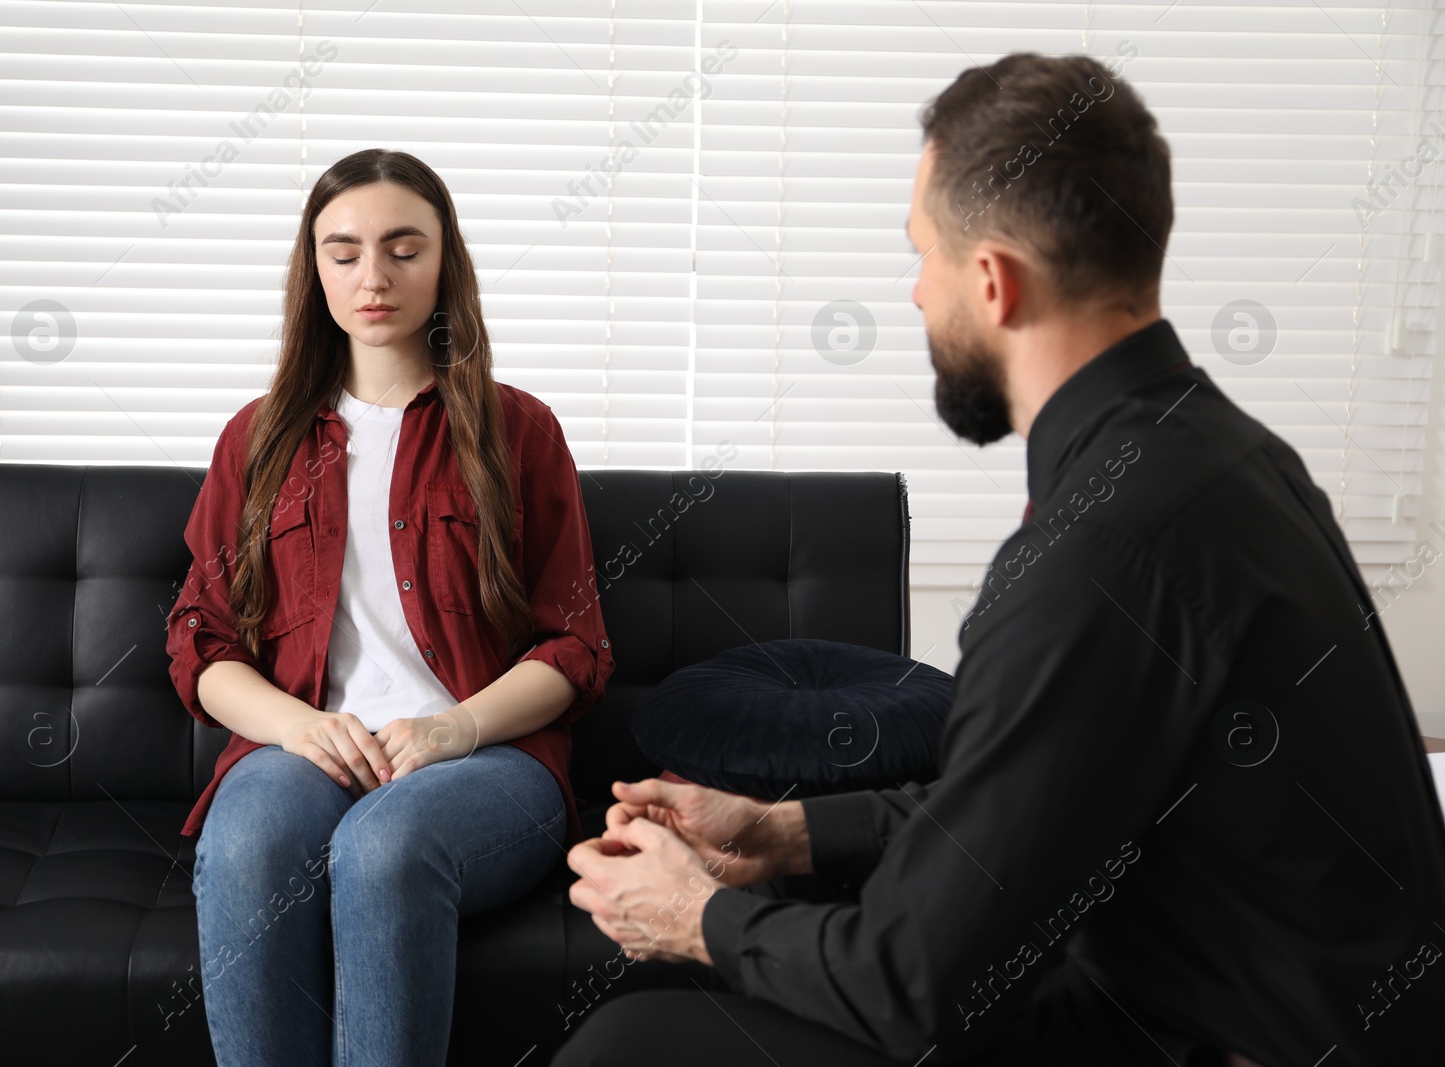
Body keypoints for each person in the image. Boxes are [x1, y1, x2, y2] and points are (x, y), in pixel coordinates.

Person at [554, 53, 1445, 1067]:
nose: (915, 292)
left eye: (921, 254)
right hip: (1208, 997)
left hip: (1219, 1039)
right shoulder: (1220, 455)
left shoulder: (1098, 551)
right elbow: (1028, 796)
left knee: (632, 1044)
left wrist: (693, 914)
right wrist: (781, 828)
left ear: (992, 281)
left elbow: (907, 983)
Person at [163, 148, 615, 1067]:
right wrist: (301, 727)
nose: (373, 276)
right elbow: (200, 641)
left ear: (446, 262)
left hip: (486, 757)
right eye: (344, 251)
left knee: (384, 846)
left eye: (404, 248)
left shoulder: (517, 430)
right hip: (305, 747)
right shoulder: (257, 438)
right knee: (249, 843)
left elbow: (573, 648)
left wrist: (450, 730)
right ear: (313, 267)